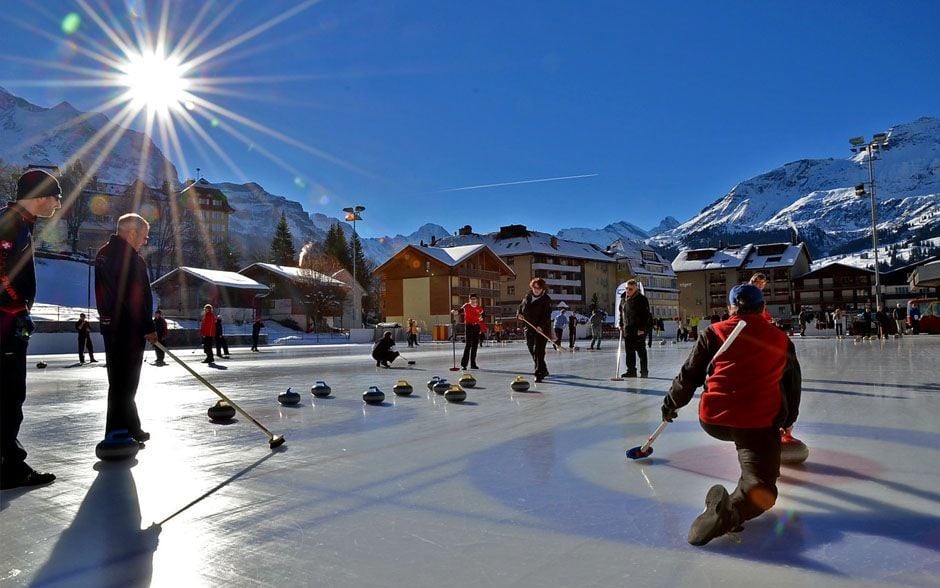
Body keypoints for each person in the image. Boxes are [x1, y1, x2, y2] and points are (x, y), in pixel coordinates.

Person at [660, 284, 802, 546]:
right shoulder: (781, 340)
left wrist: (671, 405)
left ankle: (722, 509)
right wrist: (788, 421)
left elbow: (689, 375)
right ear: (763, 308)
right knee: (762, 490)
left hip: (714, 419)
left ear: (730, 308)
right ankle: (731, 513)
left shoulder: (712, 332)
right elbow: (792, 385)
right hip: (757, 423)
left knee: (743, 437)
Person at [0, 169, 61, 490]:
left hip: (10, 322)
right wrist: (18, 309)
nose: (57, 204)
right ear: (39, 197)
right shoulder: (11, 223)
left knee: (9, 396)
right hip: (6, 324)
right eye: (55, 197)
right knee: (10, 396)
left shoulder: (17, 221)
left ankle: (11, 461)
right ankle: (9, 468)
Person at [95, 213, 158, 445]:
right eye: (144, 237)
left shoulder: (104, 253)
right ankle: (118, 431)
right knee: (125, 383)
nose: (144, 241)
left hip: (111, 326)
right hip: (128, 329)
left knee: (120, 380)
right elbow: (135, 297)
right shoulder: (129, 258)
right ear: (132, 233)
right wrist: (148, 326)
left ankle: (132, 426)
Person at [517, 277, 553, 382]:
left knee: (538, 351)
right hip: (529, 328)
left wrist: (541, 326)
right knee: (531, 350)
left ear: (543, 289)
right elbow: (520, 308)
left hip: (541, 329)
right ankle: (544, 369)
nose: (536, 290)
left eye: (539, 288)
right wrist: (519, 314)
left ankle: (539, 373)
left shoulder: (546, 299)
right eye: (534, 287)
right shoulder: (527, 297)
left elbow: (547, 315)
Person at [618, 279, 651, 378]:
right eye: (627, 288)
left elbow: (646, 316)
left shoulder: (642, 299)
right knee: (629, 352)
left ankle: (644, 371)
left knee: (641, 351)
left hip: (638, 330)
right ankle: (631, 371)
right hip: (628, 329)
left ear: (636, 288)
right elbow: (621, 312)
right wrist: (621, 324)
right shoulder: (623, 298)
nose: (628, 291)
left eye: (630, 289)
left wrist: (642, 329)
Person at [455, 293, 485, 370]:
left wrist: (481, 319)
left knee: (475, 345)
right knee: (468, 345)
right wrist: (454, 312)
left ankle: (473, 364)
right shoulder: (466, 306)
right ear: (469, 299)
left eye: (474, 299)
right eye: (471, 299)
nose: (473, 300)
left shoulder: (479, 308)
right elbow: (459, 311)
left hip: (476, 326)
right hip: (469, 326)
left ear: (477, 299)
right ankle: (464, 364)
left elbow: (482, 315)